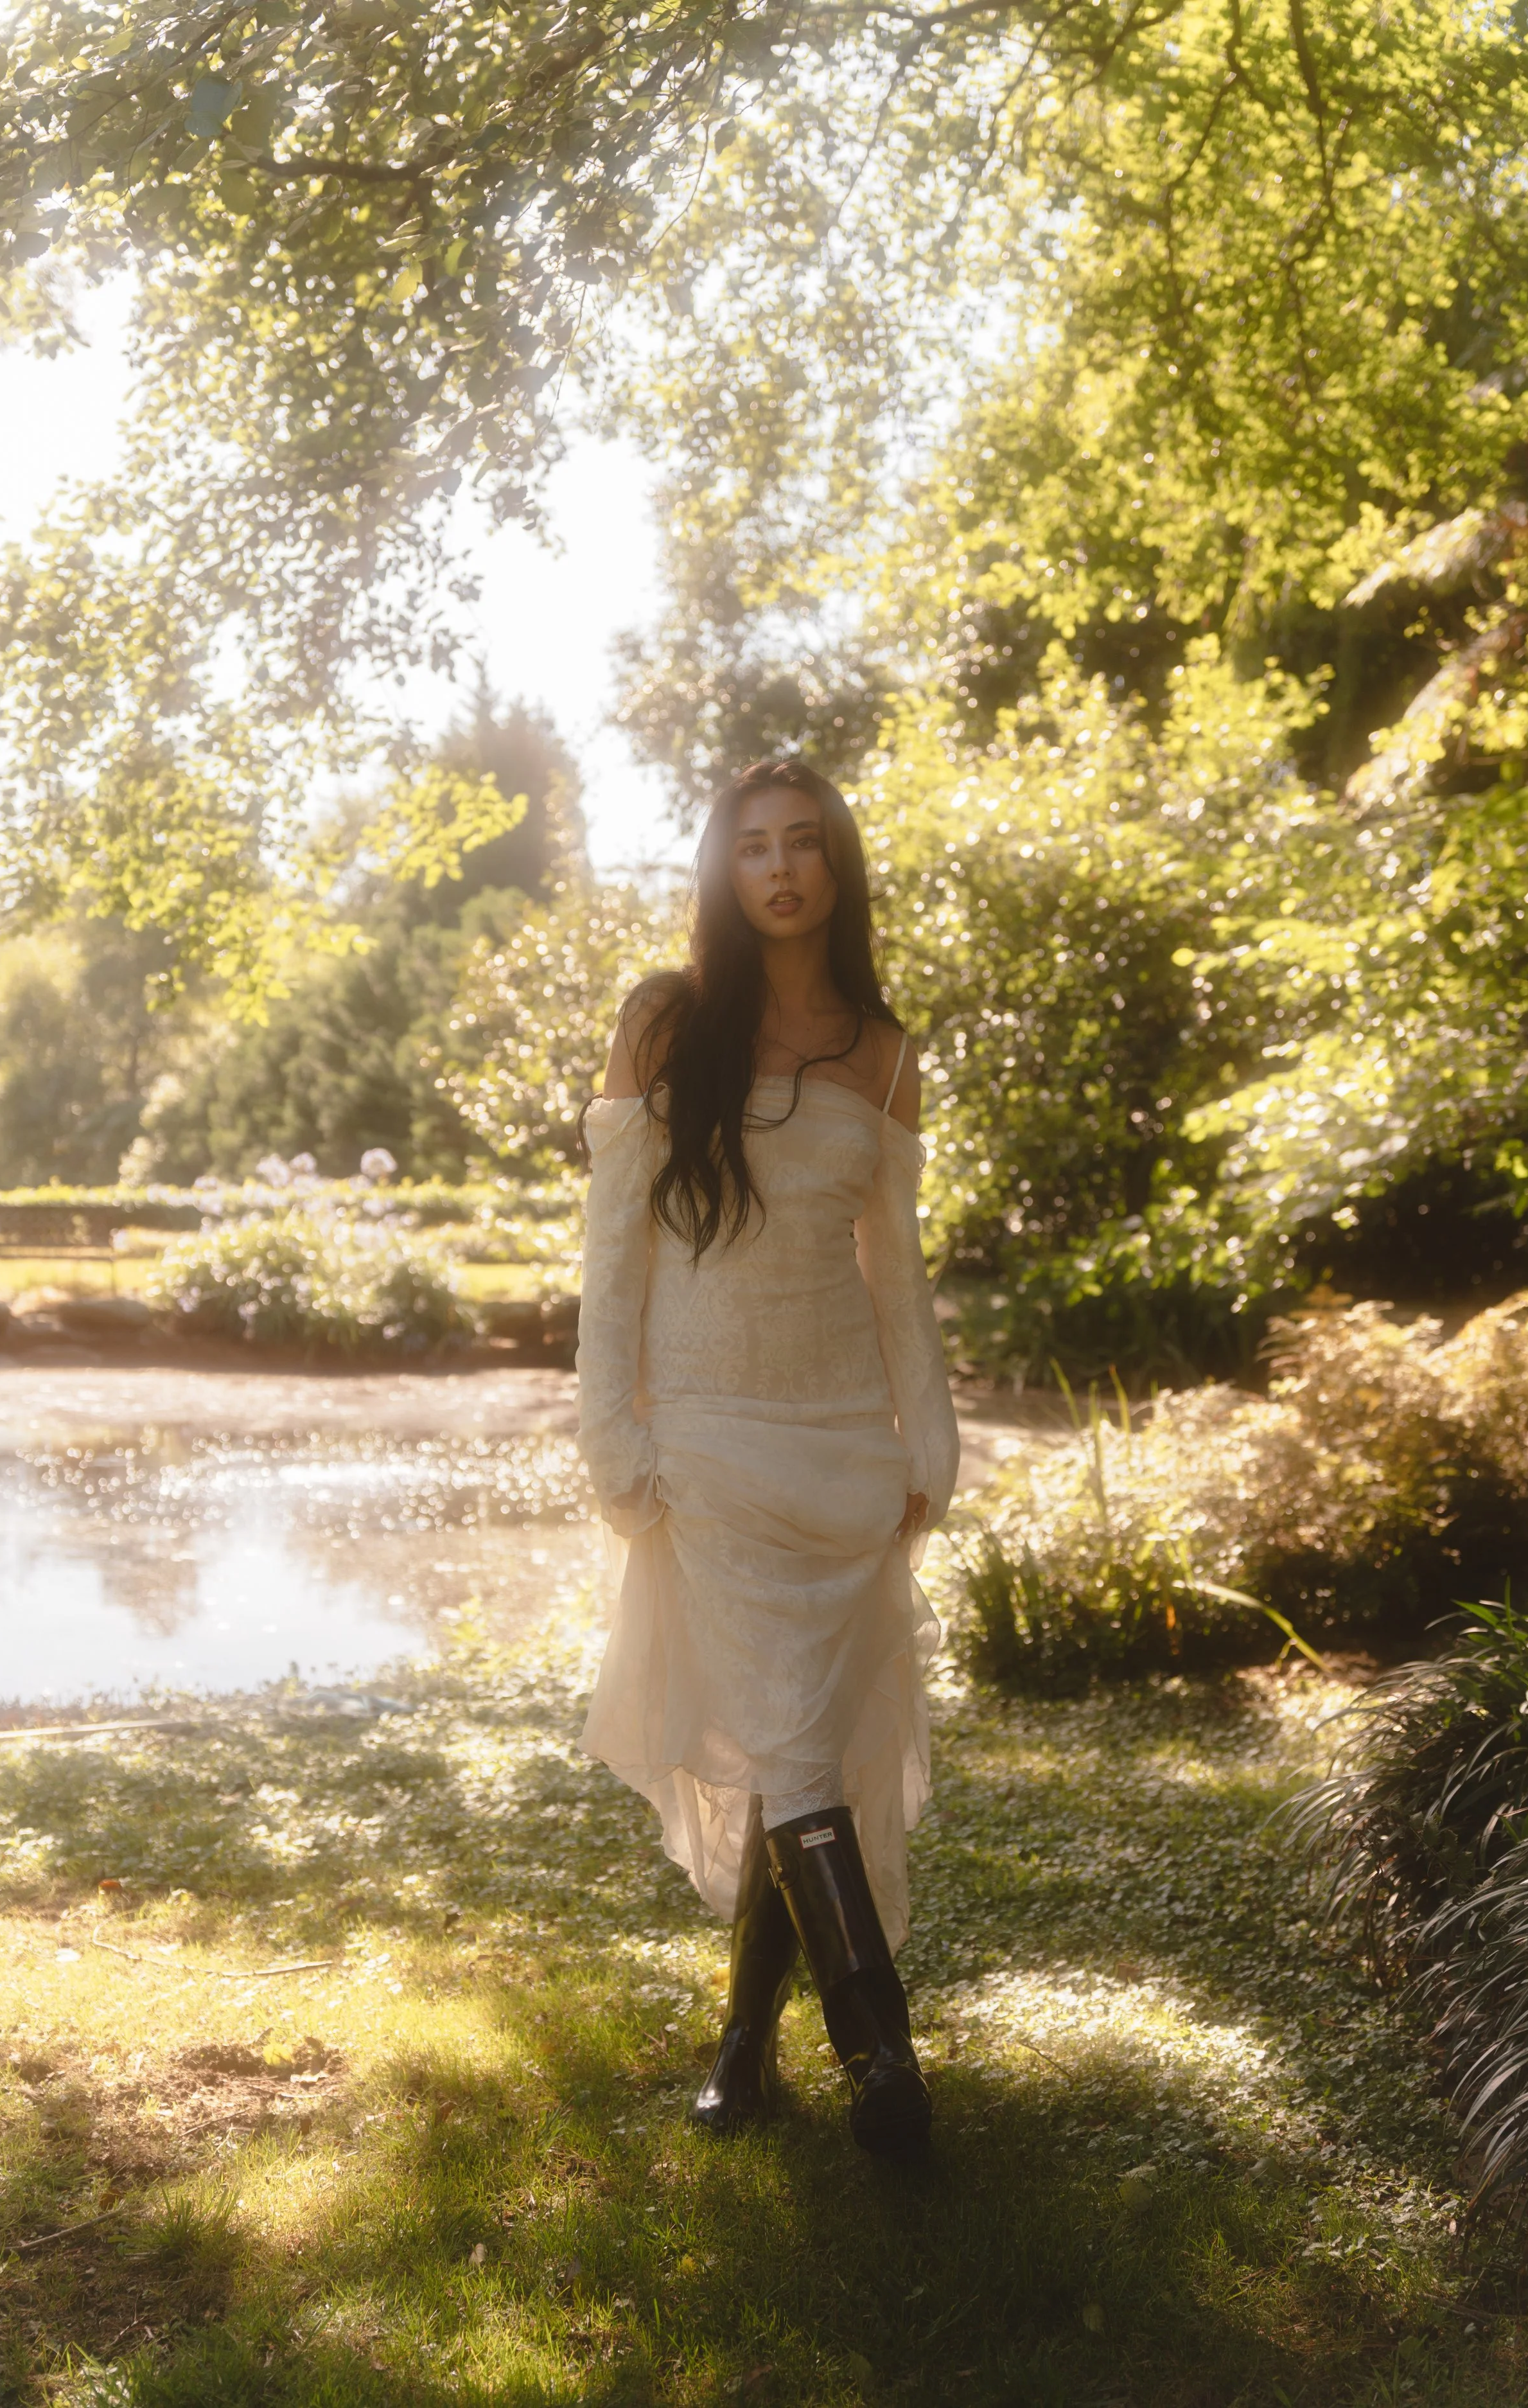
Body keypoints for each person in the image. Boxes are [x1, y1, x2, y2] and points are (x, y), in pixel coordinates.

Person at [575, 757, 960, 2156]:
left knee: (808, 1747)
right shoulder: (668, 1021)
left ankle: (743, 2047)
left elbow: (893, 1276)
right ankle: (886, 2061)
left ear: (838, 863)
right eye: (754, 847)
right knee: (797, 1747)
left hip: (844, 1441)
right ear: (720, 869)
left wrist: (930, 1433)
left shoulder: (886, 1047)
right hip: (708, 1436)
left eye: (805, 842)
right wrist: (610, 1430)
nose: (782, 867)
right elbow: (611, 1245)